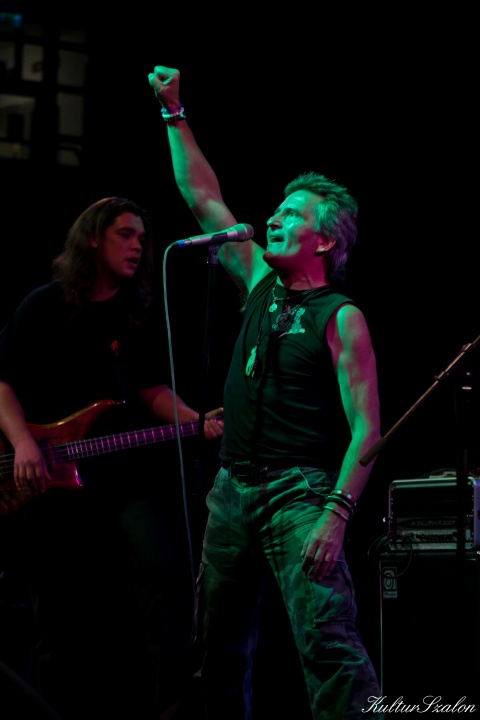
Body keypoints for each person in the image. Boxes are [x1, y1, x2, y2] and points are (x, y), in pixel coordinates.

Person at [147, 65, 384, 720]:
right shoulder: (257, 280)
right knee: (215, 655)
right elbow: (202, 195)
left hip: (300, 495)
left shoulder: (341, 316)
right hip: (232, 490)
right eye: (277, 208)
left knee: (328, 647)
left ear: (324, 239)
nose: (274, 215)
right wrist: (173, 111)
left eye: (292, 213)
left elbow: (367, 429)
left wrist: (336, 514)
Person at [0, 196, 223, 720]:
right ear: (93, 238)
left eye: (142, 238)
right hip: (51, 476)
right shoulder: (44, 305)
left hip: (125, 476)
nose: (138, 246)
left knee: (164, 582)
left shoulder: (135, 312)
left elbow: (151, 389)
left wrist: (197, 421)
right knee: (60, 609)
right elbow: (2, 382)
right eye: (126, 234)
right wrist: (24, 442)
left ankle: (171, 710)